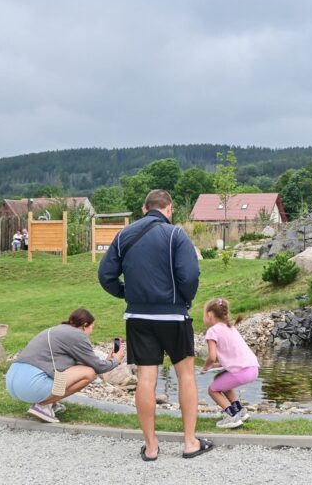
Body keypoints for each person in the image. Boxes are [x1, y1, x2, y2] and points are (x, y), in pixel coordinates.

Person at [98, 189, 213, 461]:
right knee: (185, 375)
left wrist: (127, 293)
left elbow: (105, 276)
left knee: (146, 380)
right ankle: (189, 442)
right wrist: (183, 299)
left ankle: (151, 447)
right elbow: (190, 274)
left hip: (139, 318)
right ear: (169, 208)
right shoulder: (176, 234)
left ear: (143, 208)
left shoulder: (123, 236)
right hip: (173, 316)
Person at [6, 308, 123, 423]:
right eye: (92, 327)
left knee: (79, 371)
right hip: (31, 386)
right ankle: (43, 405)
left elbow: (82, 365)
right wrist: (116, 360)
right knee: (89, 374)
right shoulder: (78, 335)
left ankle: (50, 402)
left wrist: (108, 360)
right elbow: (97, 368)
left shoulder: (58, 330)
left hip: (13, 382)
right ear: (85, 325)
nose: (92, 331)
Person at [201, 298, 259, 428]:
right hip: (253, 368)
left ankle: (231, 416)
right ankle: (240, 411)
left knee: (213, 390)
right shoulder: (230, 328)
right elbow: (233, 354)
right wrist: (217, 365)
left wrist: (205, 368)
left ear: (209, 315)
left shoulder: (212, 331)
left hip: (241, 372)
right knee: (221, 380)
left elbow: (211, 357)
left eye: (203, 315)